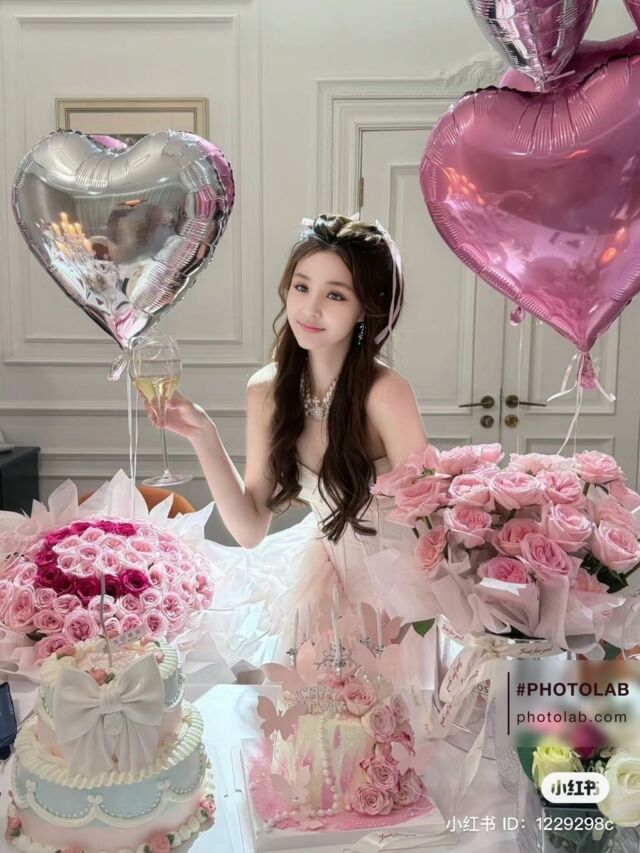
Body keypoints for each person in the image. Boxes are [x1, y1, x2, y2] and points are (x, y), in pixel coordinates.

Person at [144, 213, 429, 679]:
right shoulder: (268, 391)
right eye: (301, 287)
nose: (309, 309)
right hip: (322, 587)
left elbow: (430, 516)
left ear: (365, 309)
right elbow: (250, 529)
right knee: (313, 716)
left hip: (399, 595)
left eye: (335, 295)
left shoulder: (385, 393)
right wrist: (203, 435)